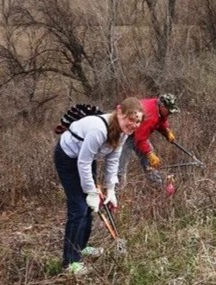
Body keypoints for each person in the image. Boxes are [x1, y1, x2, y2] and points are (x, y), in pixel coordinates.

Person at [54, 97, 143, 275]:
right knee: (78, 207)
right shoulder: (98, 129)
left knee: (89, 207)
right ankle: (70, 263)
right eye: (130, 119)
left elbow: (113, 159)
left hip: (86, 158)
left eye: (137, 121)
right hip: (69, 158)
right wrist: (90, 191)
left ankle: (81, 247)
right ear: (119, 112)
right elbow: (83, 162)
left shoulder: (124, 132)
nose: (133, 124)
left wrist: (110, 190)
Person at [118, 93, 180, 187]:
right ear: (162, 106)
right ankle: (116, 191)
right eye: (169, 111)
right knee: (120, 163)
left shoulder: (158, 107)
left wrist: (166, 130)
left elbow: (161, 119)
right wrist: (149, 153)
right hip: (124, 131)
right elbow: (140, 139)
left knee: (150, 160)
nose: (170, 114)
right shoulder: (150, 116)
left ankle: (158, 185)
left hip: (136, 131)